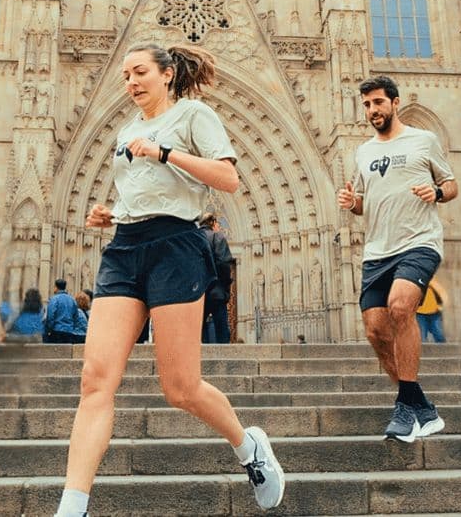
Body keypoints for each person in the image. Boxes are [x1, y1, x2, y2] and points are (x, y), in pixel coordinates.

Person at [55, 43, 284, 517]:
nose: (131, 82)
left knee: (180, 388)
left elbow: (227, 179)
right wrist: (111, 213)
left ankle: (249, 448)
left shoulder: (193, 115)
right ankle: (72, 507)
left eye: (139, 72)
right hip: (124, 248)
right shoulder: (127, 129)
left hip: (177, 246)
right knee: (95, 381)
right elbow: (140, 191)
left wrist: (165, 152)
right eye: (125, 75)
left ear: (166, 73)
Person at [337, 75, 458, 443]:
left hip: (419, 243)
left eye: (378, 103)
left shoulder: (423, 140)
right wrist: (351, 203)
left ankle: (404, 408)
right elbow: (363, 203)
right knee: (375, 330)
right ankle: (420, 406)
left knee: (401, 307)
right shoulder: (363, 152)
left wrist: (435, 191)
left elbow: (451, 186)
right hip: (377, 250)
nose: (372, 110)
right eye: (367, 105)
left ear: (394, 103)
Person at [199, 212, 234, 344]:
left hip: (198, 293)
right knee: (221, 332)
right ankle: (224, 361)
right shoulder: (217, 237)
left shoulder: (192, 238)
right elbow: (223, 264)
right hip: (217, 291)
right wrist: (225, 285)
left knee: (198, 332)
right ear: (213, 223)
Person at [45, 279, 84, 344]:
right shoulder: (72, 300)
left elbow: (50, 316)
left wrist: (49, 329)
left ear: (56, 287)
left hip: (57, 331)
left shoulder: (54, 299)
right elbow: (76, 316)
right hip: (69, 331)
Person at [416, 277, 448, 343]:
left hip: (434, 313)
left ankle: (443, 351)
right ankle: (423, 352)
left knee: (438, 333)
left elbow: (441, 293)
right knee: (422, 336)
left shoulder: (432, 281)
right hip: (420, 314)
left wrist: (440, 306)